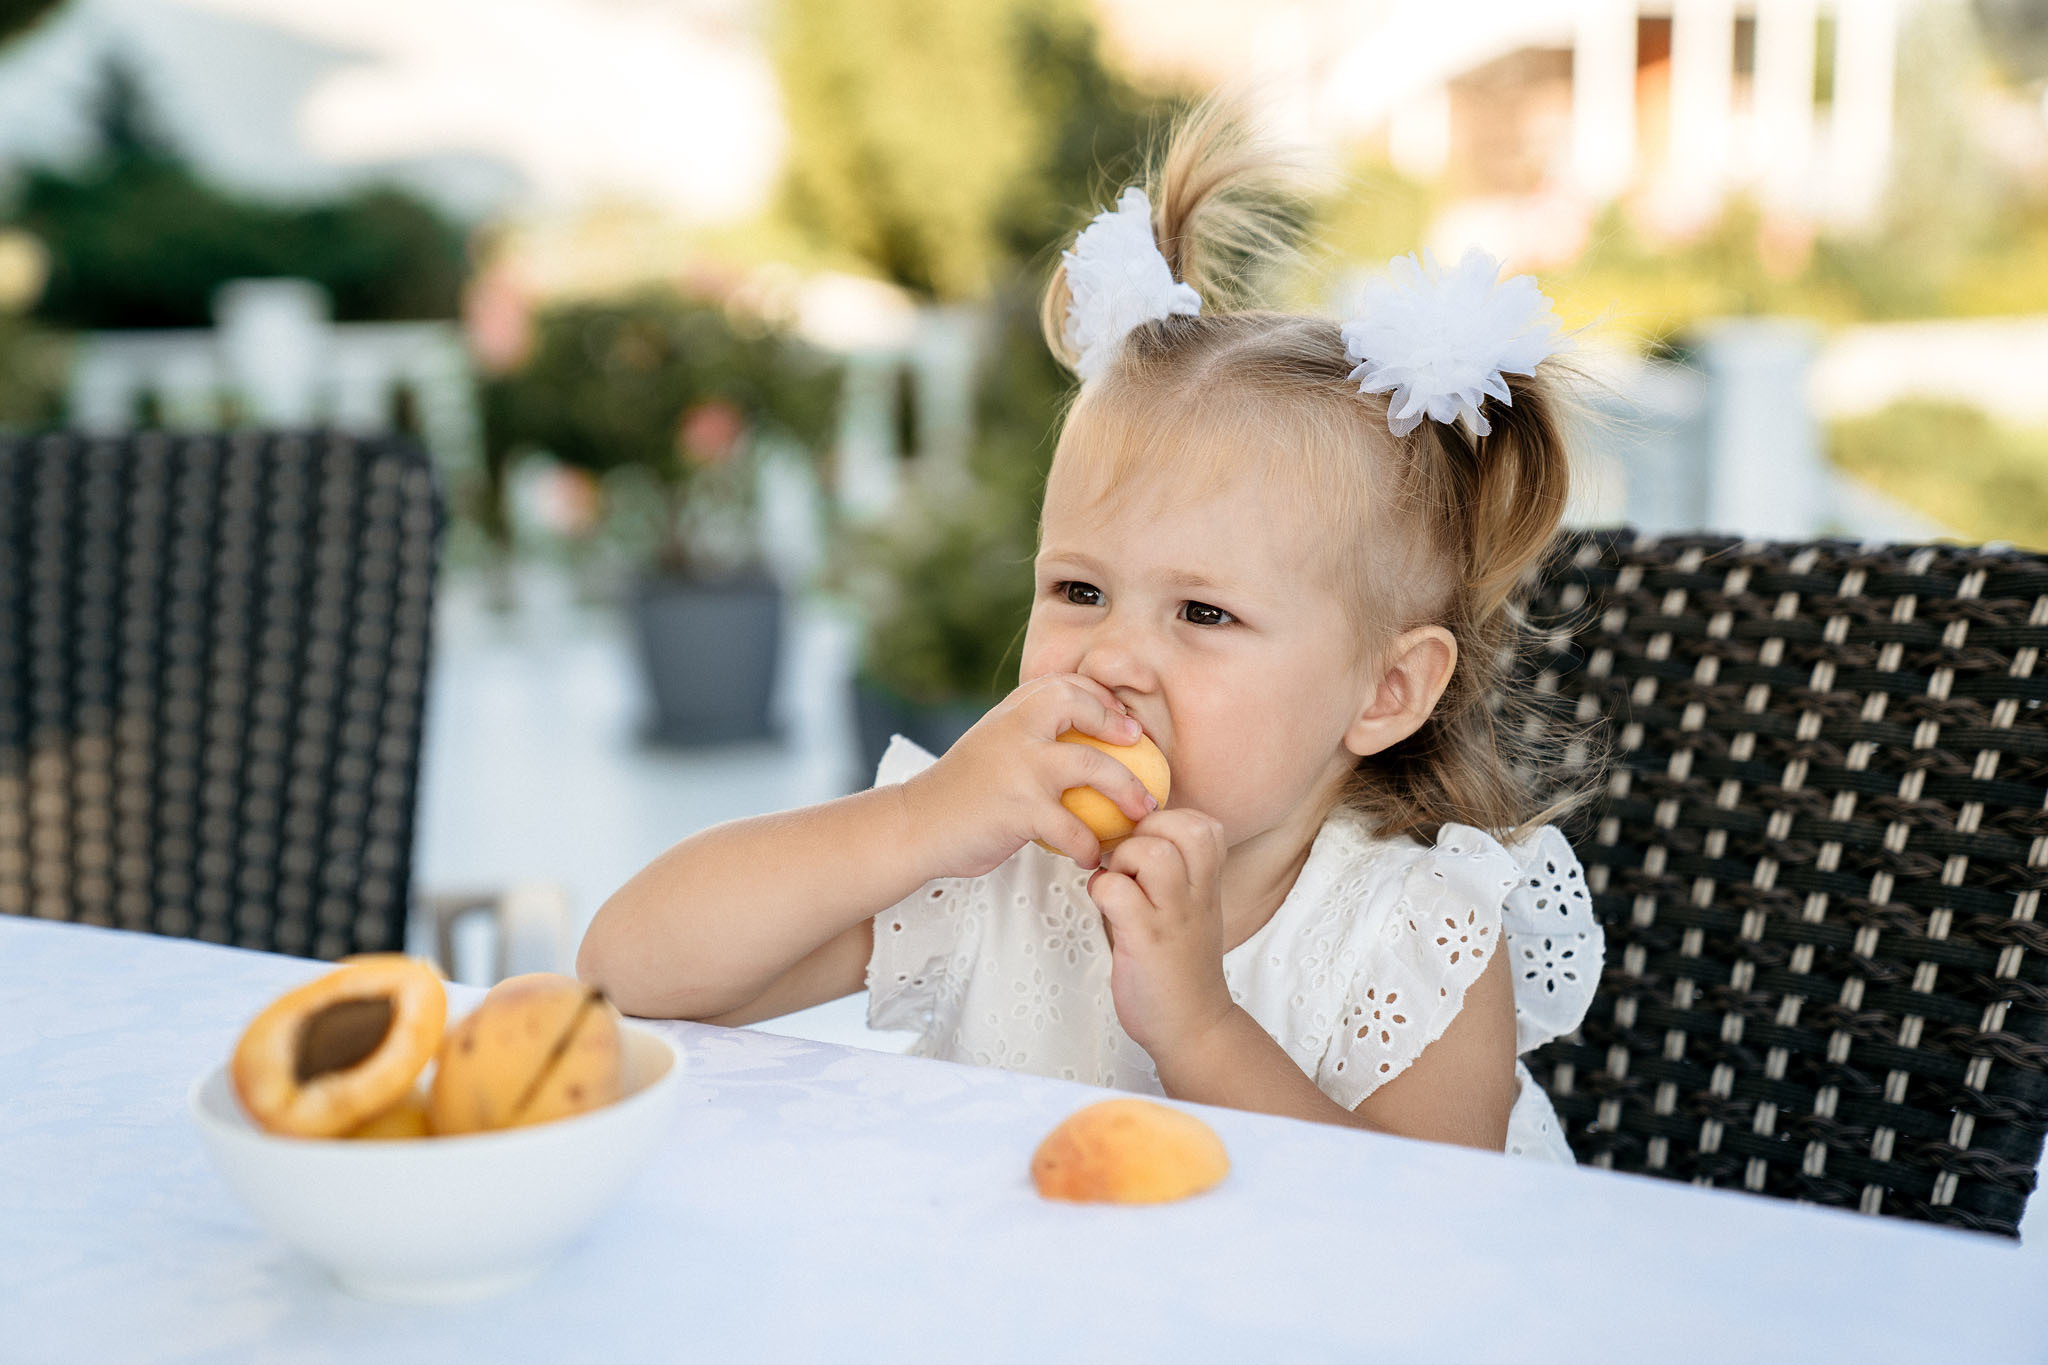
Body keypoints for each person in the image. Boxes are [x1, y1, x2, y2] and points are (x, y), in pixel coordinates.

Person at [579, 104, 1604, 1159]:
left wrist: (1201, 1028)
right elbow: (622, 978)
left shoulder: (1409, 935)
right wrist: (914, 820)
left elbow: (1430, 1237)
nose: (1109, 654)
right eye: (1077, 590)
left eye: (1203, 613)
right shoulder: (999, 865)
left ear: (1383, 692)